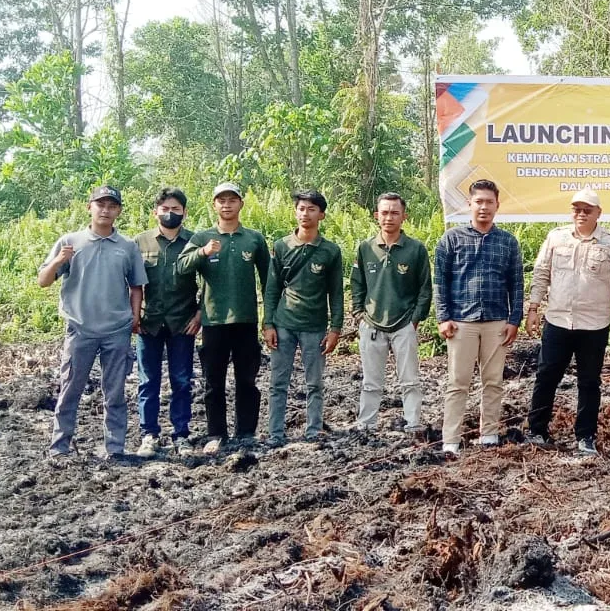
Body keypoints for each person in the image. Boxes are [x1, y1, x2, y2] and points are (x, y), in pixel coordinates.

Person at [38, 186, 147, 458]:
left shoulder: (127, 246)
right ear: (90, 207)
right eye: (100, 204)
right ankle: (59, 447)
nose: (105, 210)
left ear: (118, 211)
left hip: (117, 330)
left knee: (115, 393)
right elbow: (43, 281)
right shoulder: (70, 242)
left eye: (111, 205)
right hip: (80, 328)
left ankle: (115, 448)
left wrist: (134, 317)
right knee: (70, 390)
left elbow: (136, 286)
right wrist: (58, 262)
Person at [525, 188, 610, 455]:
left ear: (599, 213)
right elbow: (541, 273)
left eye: (588, 210)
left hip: (593, 325)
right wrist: (533, 307)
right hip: (558, 320)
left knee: (589, 382)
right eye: (577, 209)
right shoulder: (556, 237)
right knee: (547, 376)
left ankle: (585, 436)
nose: (581, 214)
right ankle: (537, 430)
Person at [178, 182, 271, 454]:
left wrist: (269, 319)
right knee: (213, 382)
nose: (227, 205)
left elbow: (269, 281)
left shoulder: (253, 239)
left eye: (232, 200)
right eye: (221, 200)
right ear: (214, 204)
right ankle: (216, 433)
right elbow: (181, 267)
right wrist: (203, 252)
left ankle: (246, 432)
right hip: (213, 321)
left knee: (247, 381)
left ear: (241, 204)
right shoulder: (202, 237)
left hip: (246, 320)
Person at [434, 179, 523, 454]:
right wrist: (443, 317)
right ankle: (451, 440)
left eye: (489, 202)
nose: (484, 207)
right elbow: (440, 280)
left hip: (497, 321)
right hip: (461, 322)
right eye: (478, 202)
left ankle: (489, 435)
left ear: (497, 205)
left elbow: (516, 283)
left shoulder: (507, 242)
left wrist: (514, 319)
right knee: (458, 382)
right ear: (469, 205)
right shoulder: (451, 239)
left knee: (493, 381)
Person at [262, 190, 343, 446]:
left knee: (315, 383)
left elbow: (336, 292)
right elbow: (272, 288)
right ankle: (275, 433)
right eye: (300, 208)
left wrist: (335, 328)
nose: (304, 214)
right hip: (284, 323)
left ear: (322, 215)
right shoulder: (281, 246)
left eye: (311, 209)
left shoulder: (330, 251)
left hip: (315, 326)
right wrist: (268, 324)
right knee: (278, 382)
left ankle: (313, 430)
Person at [352, 192, 433, 435]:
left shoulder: (416, 249)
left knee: (410, 380)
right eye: (384, 212)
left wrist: (415, 320)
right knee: (370, 382)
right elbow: (357, 284)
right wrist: (359, 315)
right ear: (377, 215)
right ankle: (366, 425)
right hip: (372, 324)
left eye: (395, 213)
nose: (389, 217)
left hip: (404, 324)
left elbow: (425, 288)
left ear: (404, 216)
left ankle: (414, 424)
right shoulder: (365, 248)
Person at [133, 187, 202, 457]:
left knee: (182, 380)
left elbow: (208, 282)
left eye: (175, 209)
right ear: (155, 212)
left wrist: (200, 315)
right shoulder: (139, 242)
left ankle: (181, 434)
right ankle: (149, 434)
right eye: (165, 209)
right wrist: (134, 315)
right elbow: (131, 283)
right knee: (147, 381)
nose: (170, 213)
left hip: (182, 322)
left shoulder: (195, 241)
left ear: (184, 212)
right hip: (148, 323)